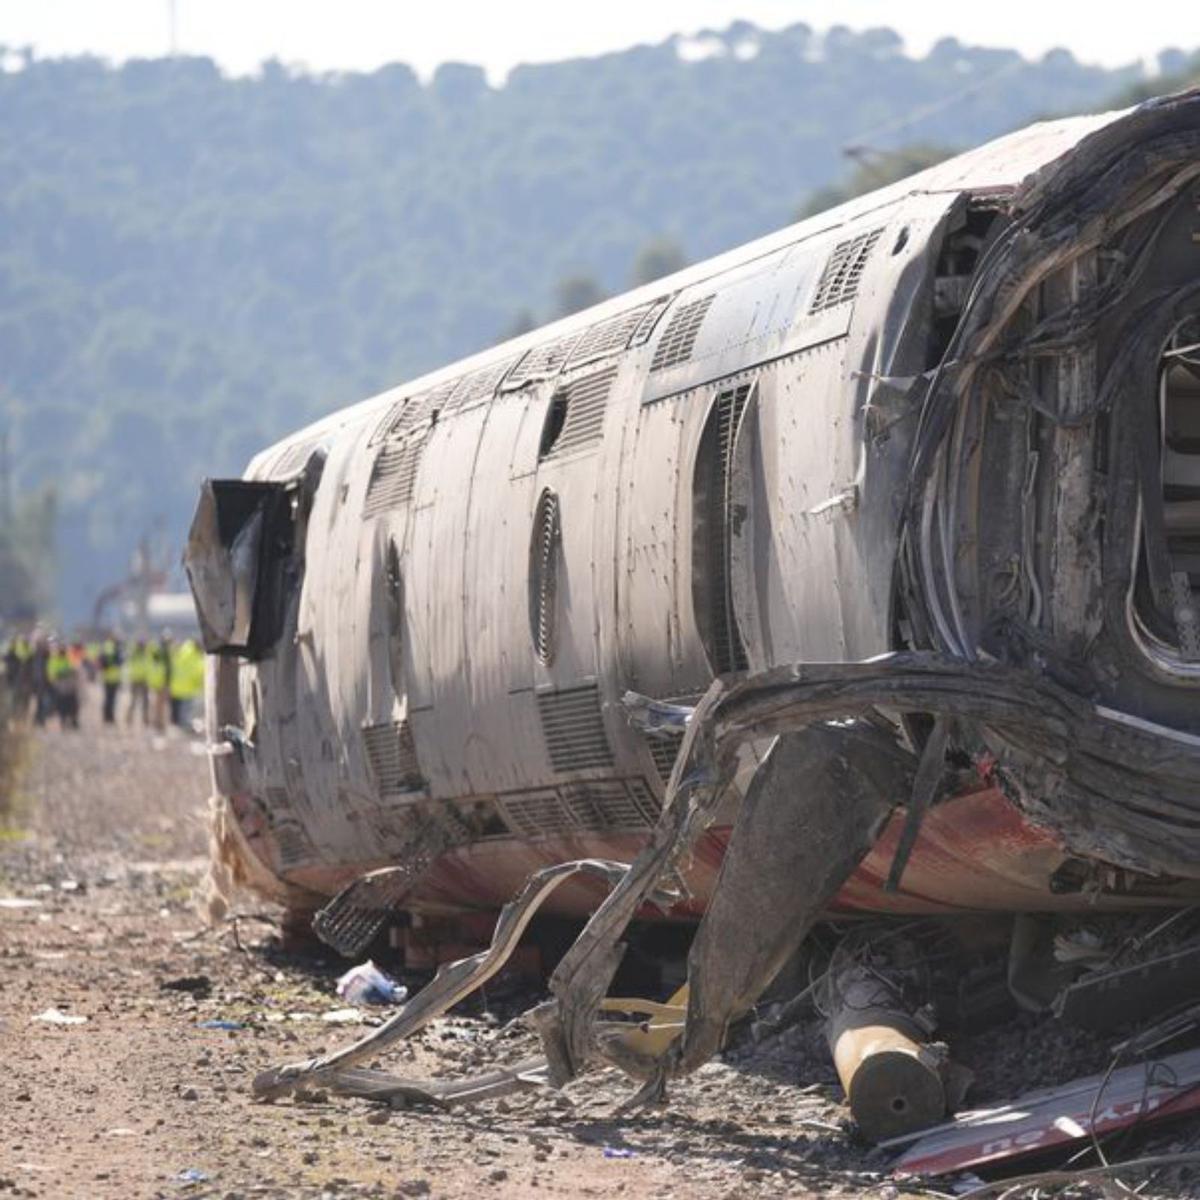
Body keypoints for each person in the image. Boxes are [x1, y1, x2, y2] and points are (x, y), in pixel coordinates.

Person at [168, 636, 205, 729]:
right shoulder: (195, 657)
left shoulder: (184, 650)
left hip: (176, 686)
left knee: (178, 710)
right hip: (187, 688)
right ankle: (182, 727)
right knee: (185, 711)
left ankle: (177, 725)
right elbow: (197, 674)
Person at [46, 639, 80, 729]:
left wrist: (71, 672)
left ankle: (74, 721)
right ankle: (63, 721)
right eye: (61, 649)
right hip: (60, 688)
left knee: (73, 705)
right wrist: (62, 673)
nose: (62, 651)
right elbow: (52, 674)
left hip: (70, 687)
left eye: (63, 649)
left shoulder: (69, 657)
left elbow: (75, 669)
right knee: (62, 706)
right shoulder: (54, 660)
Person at [98, 634, 123, 725]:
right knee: (111, 699)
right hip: (112, 677)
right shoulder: (114, 649)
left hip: (109, 677)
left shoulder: (106, 647)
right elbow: (119, 661)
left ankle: (107, 717)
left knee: (109, 699)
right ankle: (109, 717)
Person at [147, 634, 170, 732]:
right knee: (158, 705)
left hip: (158, 682)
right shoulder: (163, 653)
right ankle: (158, 724)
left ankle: (158, 723)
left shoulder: (160, 652)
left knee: (158, 705)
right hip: (160, 682)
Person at [125, 638, 151, 727]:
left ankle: (145, 719)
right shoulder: (135, 654)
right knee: (134, 700)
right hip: (136, 679)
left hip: (144, 679)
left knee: (145, 701)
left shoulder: (146, 654)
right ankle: (129, 719)